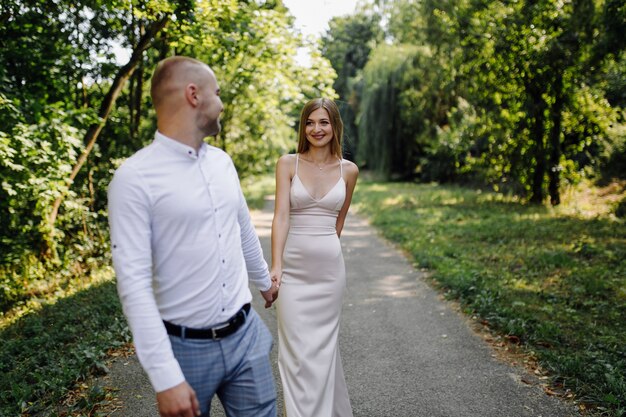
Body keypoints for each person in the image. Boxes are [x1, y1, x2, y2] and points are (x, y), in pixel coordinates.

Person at [107, 56, 279, 417]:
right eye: (217, 93)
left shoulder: (222, 163)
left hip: (246, 336)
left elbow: (242, 227)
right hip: (185, 352)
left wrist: (263, 280)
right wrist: (165, 377)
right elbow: (134, 286)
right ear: (193, 95)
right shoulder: (134, 179)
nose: (221, 103)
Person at [270, 98, 359, 416]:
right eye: (310, 122)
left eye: (323, 122)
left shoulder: (349, 171)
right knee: (295, 353)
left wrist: (323, 253)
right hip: (293, 272)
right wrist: (277, 266)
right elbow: (281, 217)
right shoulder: (287, 163)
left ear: (335, 126)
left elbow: (339, 222)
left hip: (329, 276)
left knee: (323, 352)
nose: (316, 129)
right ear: (302, 126)